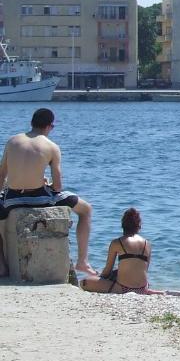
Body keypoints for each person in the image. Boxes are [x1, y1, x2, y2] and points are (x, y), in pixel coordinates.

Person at [0, 108, 95, 276]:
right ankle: (83, 261)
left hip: (12, 198)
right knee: (86, 210)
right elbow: (58, 186)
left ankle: (1, 265)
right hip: (39, 198)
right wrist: (46, 183)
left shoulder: (12, 141)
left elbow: (2, 176)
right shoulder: (52, 147)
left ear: (32, 123)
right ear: (50, 126)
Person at [81, 208, 164, 294]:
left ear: (123, 225)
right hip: (142, 288)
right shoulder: (148, 244)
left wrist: (99, 277)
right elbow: (143, 270)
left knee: (84, 282)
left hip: (122, 288)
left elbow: (107, 271)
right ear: (139, 226)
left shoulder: (117, 243)